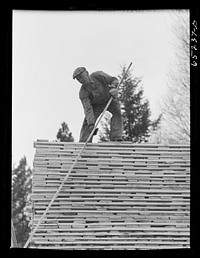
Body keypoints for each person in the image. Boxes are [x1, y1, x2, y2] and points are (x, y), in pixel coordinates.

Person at [73, 67, 123, 142]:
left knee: (117, 112)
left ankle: (116, 137)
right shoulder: (83, 92)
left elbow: (114, 80)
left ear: (86, 73)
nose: (80, 80)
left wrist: (113, 88)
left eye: (81, 77)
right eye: (78, 79)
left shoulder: (98, 75)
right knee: (87, 122)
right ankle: (85, 141)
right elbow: (87, 109)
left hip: (109, 99)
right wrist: (91, 124)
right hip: (96, 106)